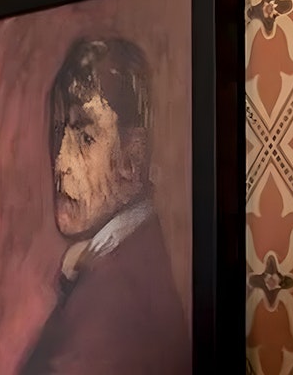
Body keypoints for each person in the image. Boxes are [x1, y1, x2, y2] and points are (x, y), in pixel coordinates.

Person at [18, 37, 191, 375]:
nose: (60, 164)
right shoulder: (125, 258)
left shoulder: (114, 298)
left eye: (84, 137)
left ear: (133, 158)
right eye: (59, 133)